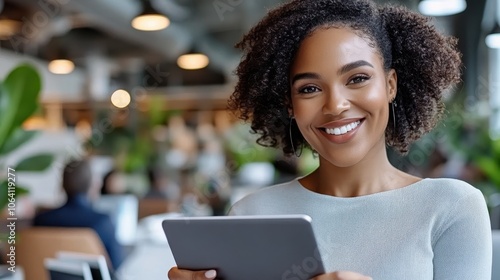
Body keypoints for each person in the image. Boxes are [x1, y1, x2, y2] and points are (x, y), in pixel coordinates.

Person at [168, 0, 492, 279]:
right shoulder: (253, 214)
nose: (335, 105)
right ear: (290, 105)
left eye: (358, 78)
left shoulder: (451, 207)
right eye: (309, 88)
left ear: (390, 85)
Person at [33, 159, 125, 270]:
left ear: (63, 184)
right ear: (92, 185)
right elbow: (117, 266)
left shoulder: (41, 220)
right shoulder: (102, 222)